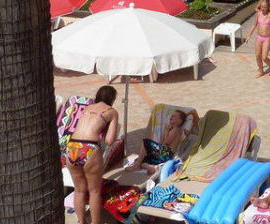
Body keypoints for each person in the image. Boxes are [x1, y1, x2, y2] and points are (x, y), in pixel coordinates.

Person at [63, 85, 119, 224]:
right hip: (89, 147)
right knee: (94, 192)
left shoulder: (87, 108)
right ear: (112, 98)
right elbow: (110, 140)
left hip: (72, 146)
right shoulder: (111, 111)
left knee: (79, 190)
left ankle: (82, 222)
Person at [127, 109, 188, 176]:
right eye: (171, 115)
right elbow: (162, 142)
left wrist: (166, 131)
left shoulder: (176, 129)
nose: (171, 117)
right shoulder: (172, 129)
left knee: (145, 142)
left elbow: (166, 143)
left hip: (166, 153)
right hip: (163, 154)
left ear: (180, 121)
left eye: (174, 116)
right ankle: (152, 168)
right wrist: (166, 131)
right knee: (143, 160)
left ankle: (137, 166)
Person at [244, 0, 270, 78]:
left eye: (264, 7)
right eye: (261, 7)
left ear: (268, 7)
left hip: (267, 38)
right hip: (259, 37)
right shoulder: (258, 14)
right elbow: (254, 25)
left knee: (264, 57)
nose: (262, 8)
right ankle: (261, 71)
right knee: (258, 56)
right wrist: (249, 35)